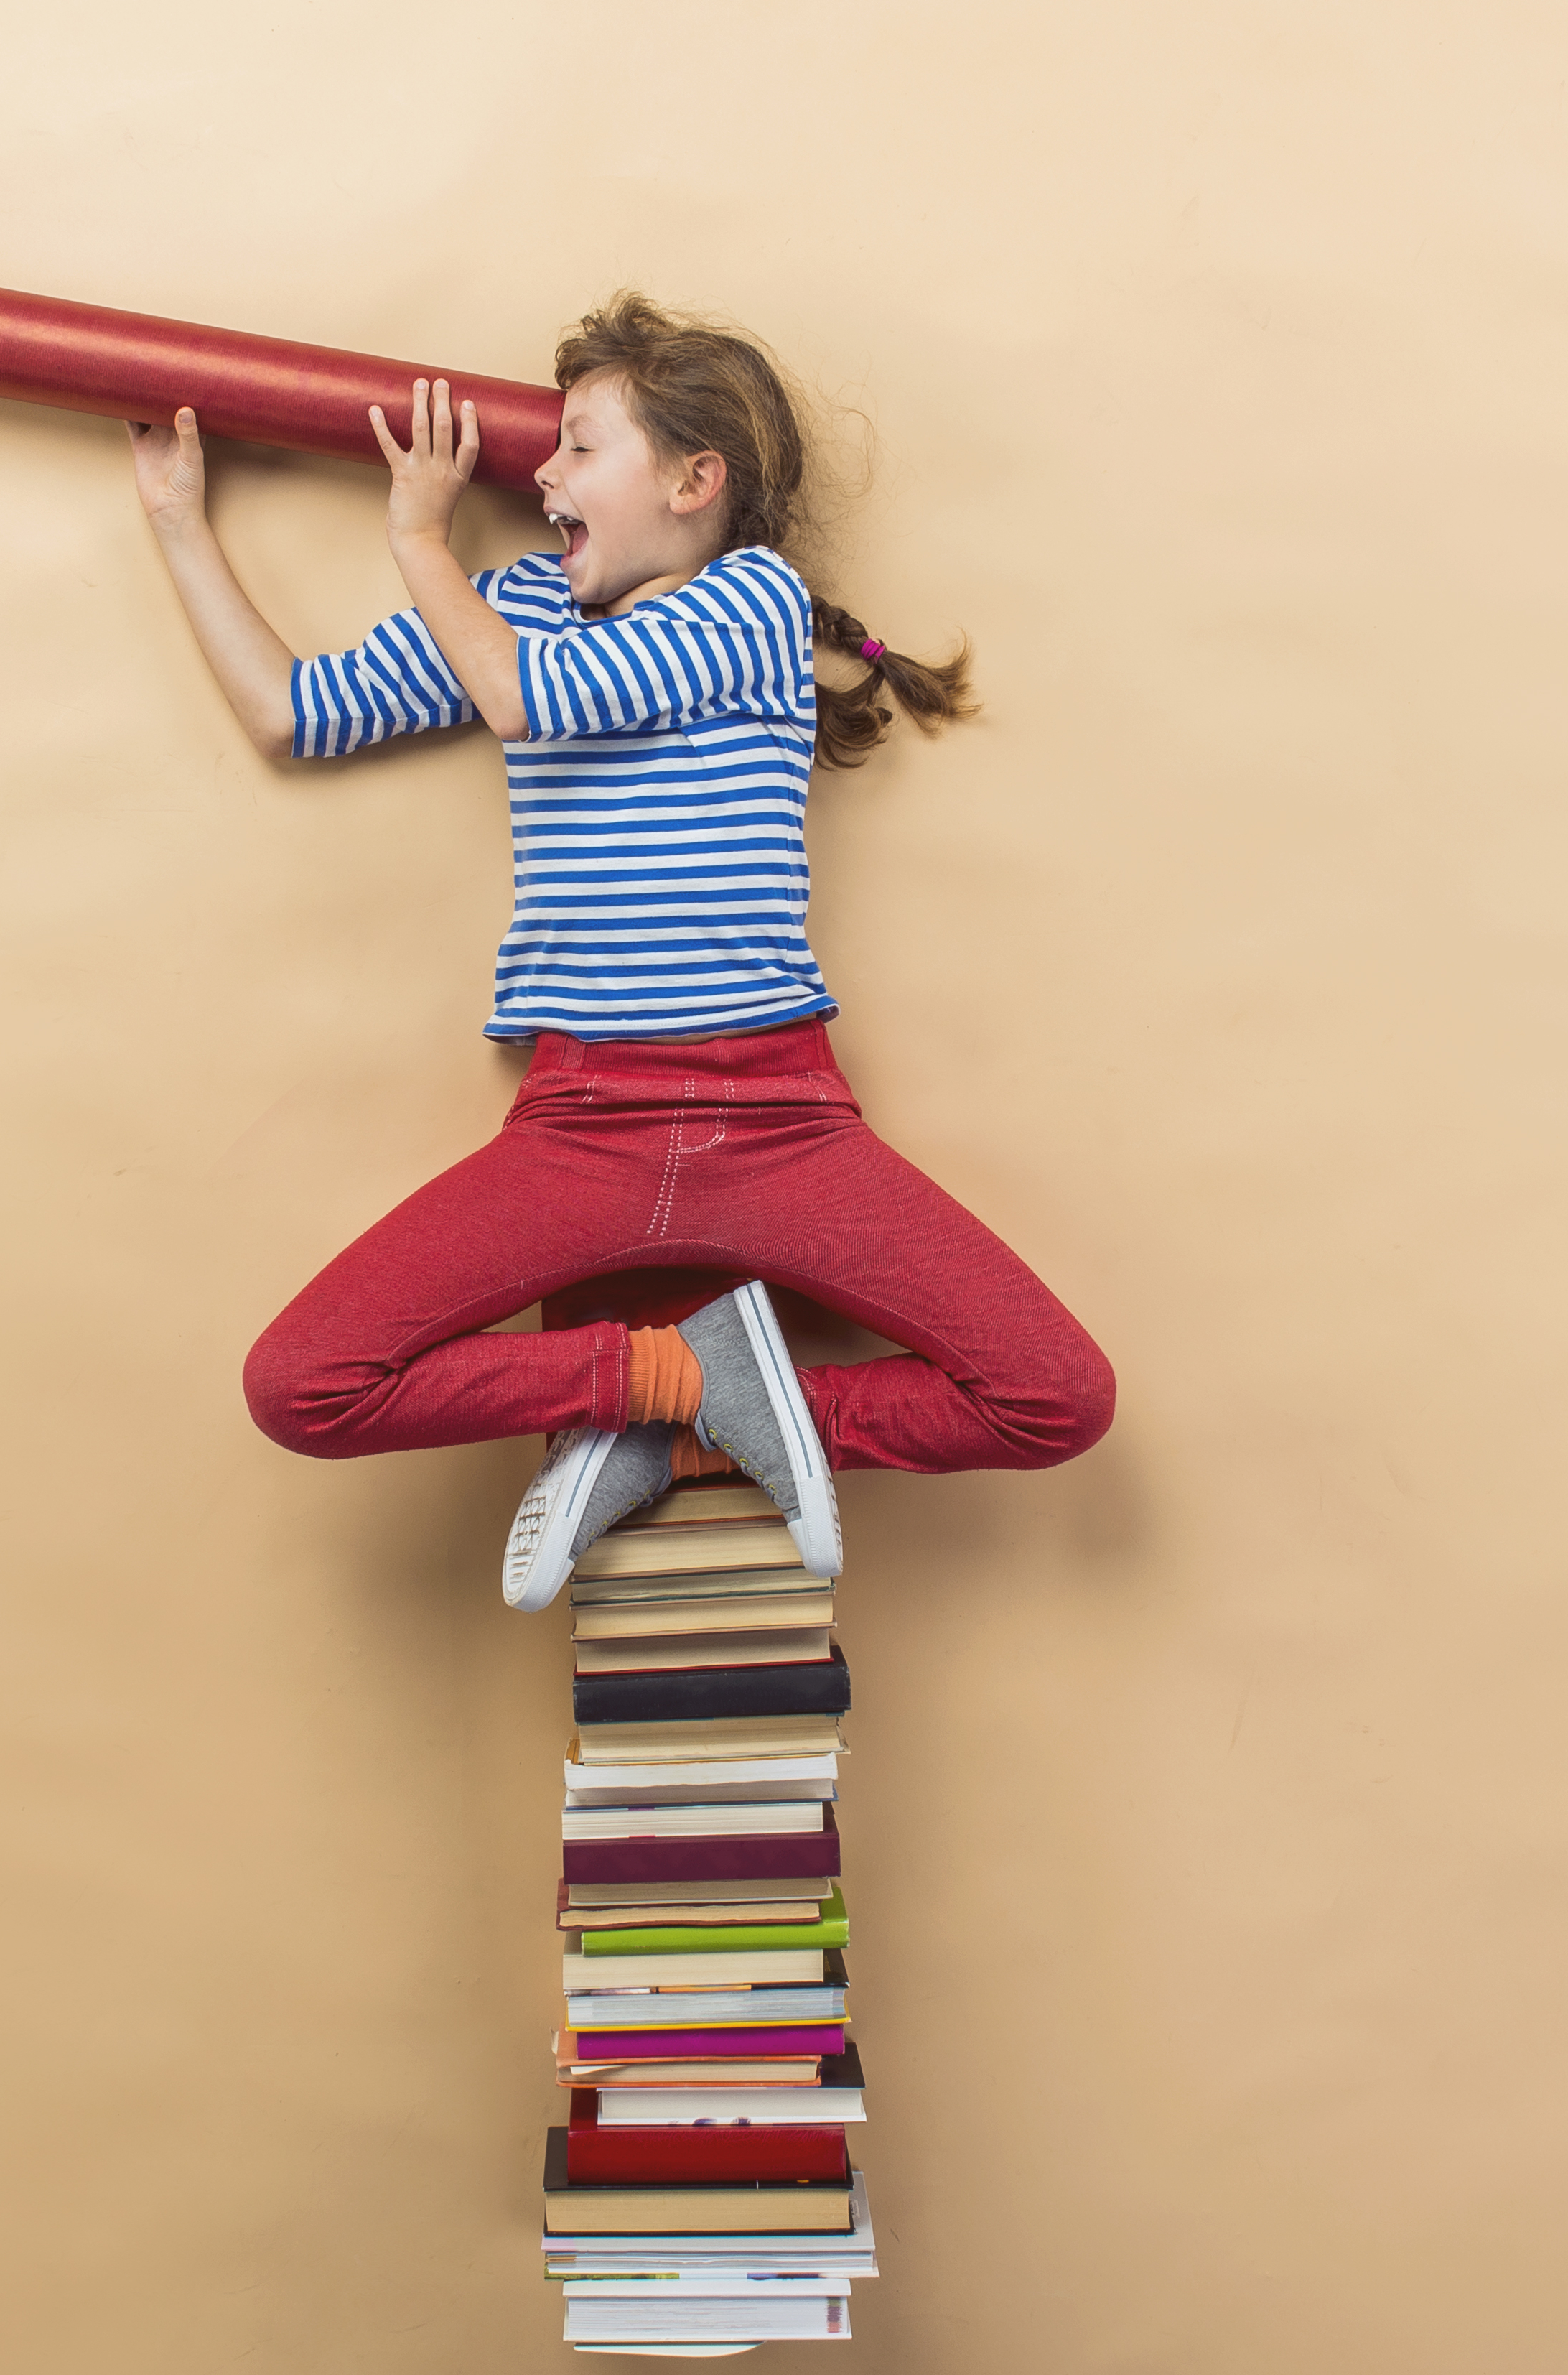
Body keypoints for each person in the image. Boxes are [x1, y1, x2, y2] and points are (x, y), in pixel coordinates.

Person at [126, 289, 1114, 1608]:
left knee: (1056, 1396)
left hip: (771, 1120)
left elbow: (537, 705)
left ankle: (714, 1421)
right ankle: (675, 1390)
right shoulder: (518, 608)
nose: (541, 471)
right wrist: (179, 525)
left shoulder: (749, 601)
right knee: (300, 1385)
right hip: (578, 1124)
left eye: (580, 445)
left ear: (697, 481)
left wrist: (420, 536)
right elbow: (289, 712)